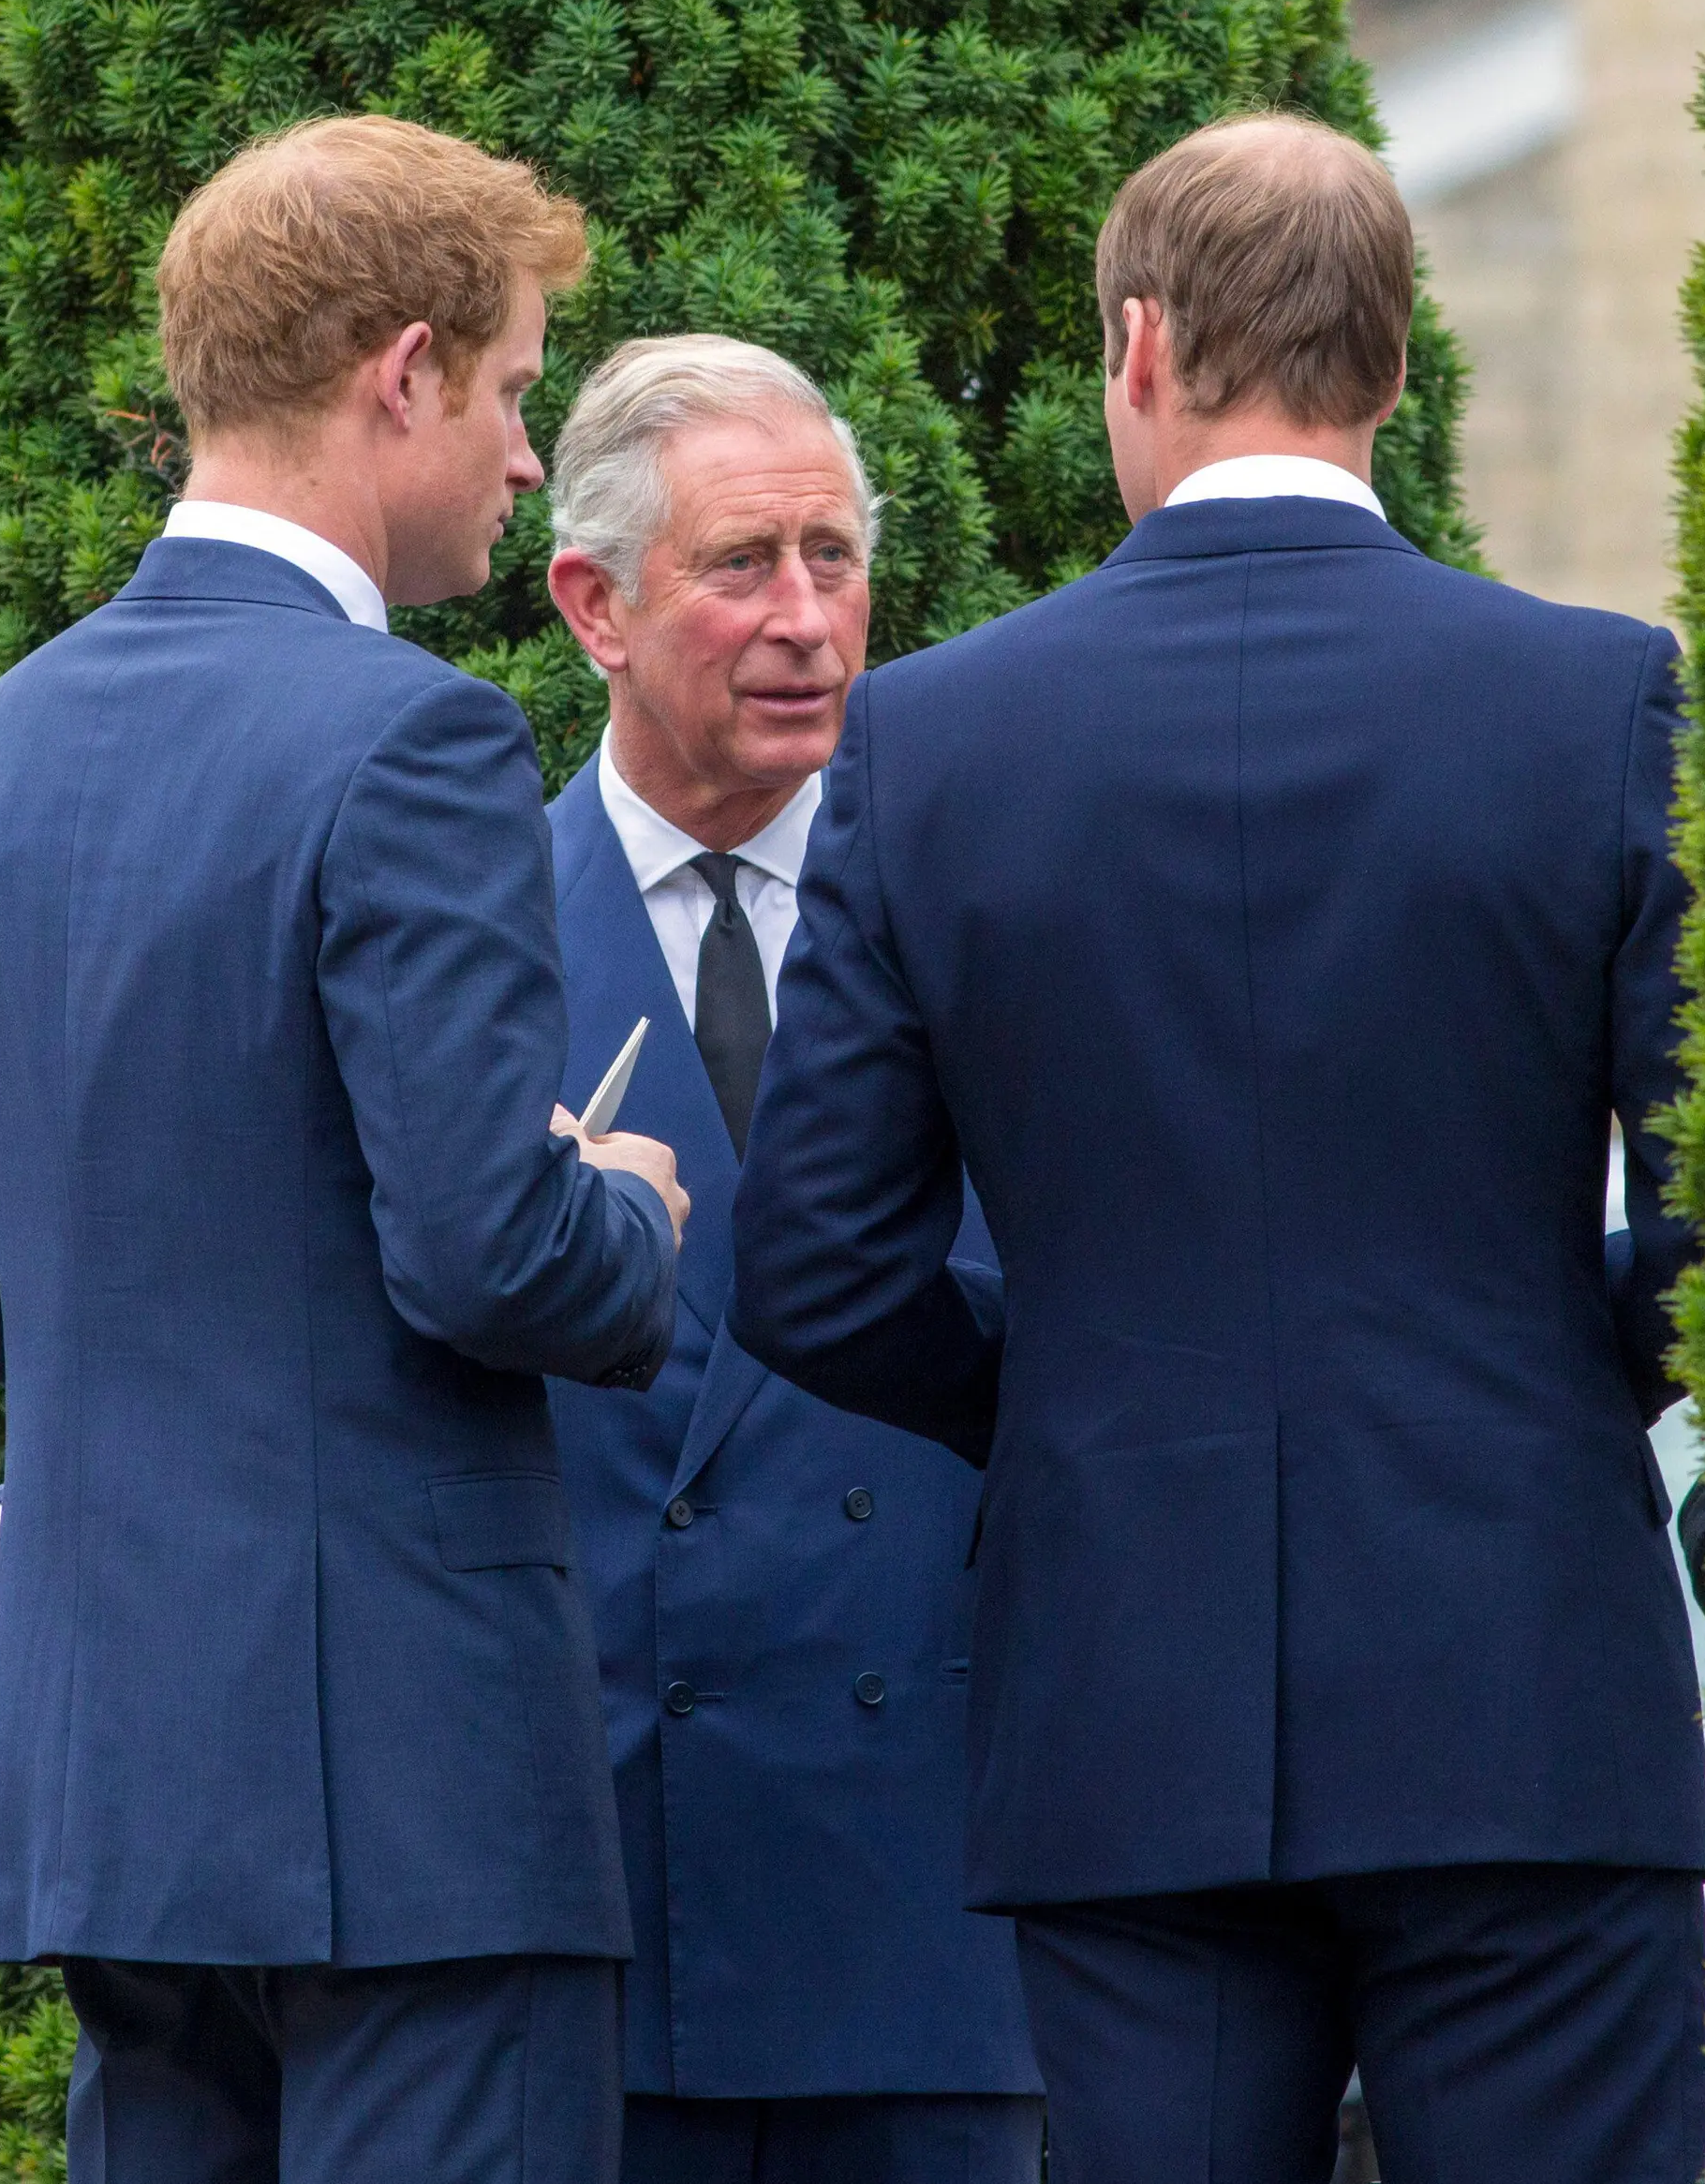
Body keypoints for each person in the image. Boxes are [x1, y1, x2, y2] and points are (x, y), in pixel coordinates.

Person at [730, 113, 1705, 2184]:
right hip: (1518, 1670)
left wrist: (1079, 1398)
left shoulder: (935, 739)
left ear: (1140, 347)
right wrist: (1560, 1378)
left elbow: (816, 1267)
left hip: (1125, 1696)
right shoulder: (1604, 704)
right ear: (1395, 366)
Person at [0, 115, 689, 2184]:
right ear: (399, 372)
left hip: (118, 1795)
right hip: (414, 1802)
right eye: (501, 393)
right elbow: (492, 1260)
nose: (513, 456)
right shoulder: (412, 734)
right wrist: (625, 1207)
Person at [535, 336, 1044, 2183]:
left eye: (837, 557)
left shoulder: (1009, 926)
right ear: (592, 603)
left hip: (936, 1918)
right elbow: (297, 1348)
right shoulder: (453, 952)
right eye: (744, 565)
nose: (810, 619)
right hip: (599, 1927)